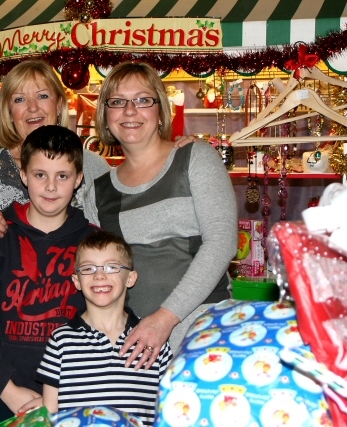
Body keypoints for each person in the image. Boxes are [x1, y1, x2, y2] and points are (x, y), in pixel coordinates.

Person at [88, 62, 238, 364]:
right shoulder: (99, 190)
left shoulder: (195, 158)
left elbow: (222, 241)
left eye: (143, 100)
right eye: (117, 102)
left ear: (160, 111)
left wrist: (164, 319)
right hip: (136, 345)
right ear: (106, 116)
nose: (130, 111)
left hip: (203, 334)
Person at [0, 125, 100, 426]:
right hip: (1, 397)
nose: (51, 186)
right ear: (23, 175)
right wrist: (8, 390)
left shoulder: (94, 245)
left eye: (63, 175)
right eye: (40, 174)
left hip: (72, 399)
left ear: (79, 180)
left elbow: (108, 326)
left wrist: (64, 393)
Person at [0, 60, 110, 274]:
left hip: (77, 302)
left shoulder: (93, 167)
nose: (33, 107)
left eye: (42, 96)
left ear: (59, 104)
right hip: (6, 303)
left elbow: (114, 249)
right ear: (8, 111)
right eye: (20, 99)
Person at [31, 231, 173, 426]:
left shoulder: (154, 339)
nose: (99, 275)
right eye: (88, 268)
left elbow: (171, 408)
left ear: (130, 278)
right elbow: (49, 413)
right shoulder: (62, 340)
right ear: (76, 281)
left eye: (111, 267)